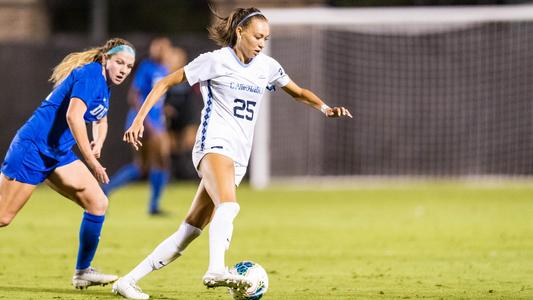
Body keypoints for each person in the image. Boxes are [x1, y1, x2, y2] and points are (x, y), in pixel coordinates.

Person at [112, 7, 352, 300]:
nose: (262, 43)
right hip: (213, 145)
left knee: (188, 233)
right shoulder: (215, 61)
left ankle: (127, 281)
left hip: (237, 155)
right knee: (229, 206)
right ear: (240, 32)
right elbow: (164, 82)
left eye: (266, 37)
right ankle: (216, 270)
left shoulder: (267, 67)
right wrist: (139, 119)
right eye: (257, 36)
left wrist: (326, 108)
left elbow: (299, 92)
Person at [0, 38, 136, 289]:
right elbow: (73, 116)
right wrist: (91, 161)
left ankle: (83, 272)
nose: (123, 70)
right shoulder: (91, 75)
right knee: (3, 217)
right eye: (119, 63)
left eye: (128, 66)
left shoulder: (104, 83)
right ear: (105, 59)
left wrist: (98, 143)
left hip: (58, 153)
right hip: (33, 148)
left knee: (98, 203)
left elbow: (100, 119)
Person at [103, 37, 172, 215]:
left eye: (163, 47)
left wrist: (164, 112)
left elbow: (158, 98)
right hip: (144, 123)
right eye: (157, 46)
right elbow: (134, 95)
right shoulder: (146, 67)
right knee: (160, 161)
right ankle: (153, 206)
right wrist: (145, 122)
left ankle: (106, 191)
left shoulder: (164, 69)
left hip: (155, 122)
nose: (160, 50)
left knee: (143, 166)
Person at [163, 47, 202, 180]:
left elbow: (196, 98)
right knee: (171, 148)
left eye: (174, 58)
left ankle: (192, 177)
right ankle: (174, 177)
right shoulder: (164, 78)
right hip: (172, 119)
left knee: (189, 145)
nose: (170, 61)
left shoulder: (189, 76)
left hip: (188, 116)